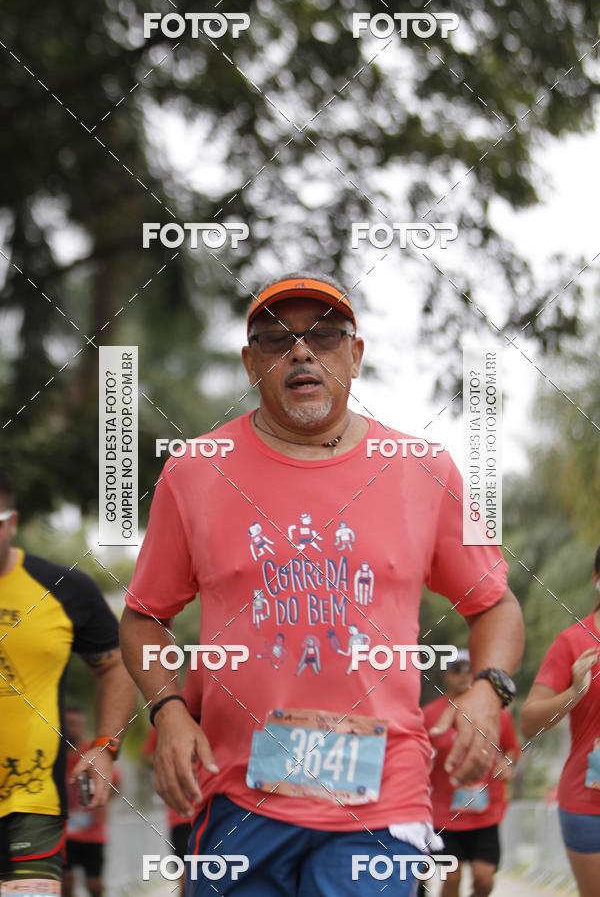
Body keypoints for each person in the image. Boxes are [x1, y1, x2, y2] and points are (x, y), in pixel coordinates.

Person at [120, 272, 524, 896]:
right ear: (251, 363)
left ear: (354, 357)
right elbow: (144, 616)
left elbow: (495, 605)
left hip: (381, 800)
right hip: (236, 795)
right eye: (277, 340)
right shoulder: (195, 471)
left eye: (326, 336)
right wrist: (168, 709)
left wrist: (489, 691)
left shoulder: (424, 470)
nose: (302, 352)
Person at [0, 470, 136, 895]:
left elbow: (117, 665)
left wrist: (105, 745)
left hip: (31, 801)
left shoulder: (61, 589)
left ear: (12, 521)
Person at [521, 545, 600, 897]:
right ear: (597, 580)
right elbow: (529, 724)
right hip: (589, 804)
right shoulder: (574, 642)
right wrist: (574, 693)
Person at [421, 649, 520, 896]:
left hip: (483, 813)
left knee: (484, 879)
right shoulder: (430, 715)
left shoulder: (495, 713)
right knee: (451, 877)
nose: (464, 675)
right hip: (444, 814)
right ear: (446, 675)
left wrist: (507, 764)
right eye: (457, 669)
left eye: (469, 669)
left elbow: (511, 749)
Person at [142, 669, 203, 897]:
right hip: (183, 813)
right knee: (187, 877)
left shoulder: (222, 712)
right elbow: (150, 756)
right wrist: (175, 760)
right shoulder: (170, 716)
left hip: (221, 809)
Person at [62, 708, 120, 897]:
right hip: (62, 832)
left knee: (94, 885)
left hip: (92, 832)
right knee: (65, 883)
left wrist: (104, 802)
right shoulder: (54, 756)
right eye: (68, 724)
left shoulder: (93, 753)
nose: (73, 729)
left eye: (77, 724)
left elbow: (116, 781)